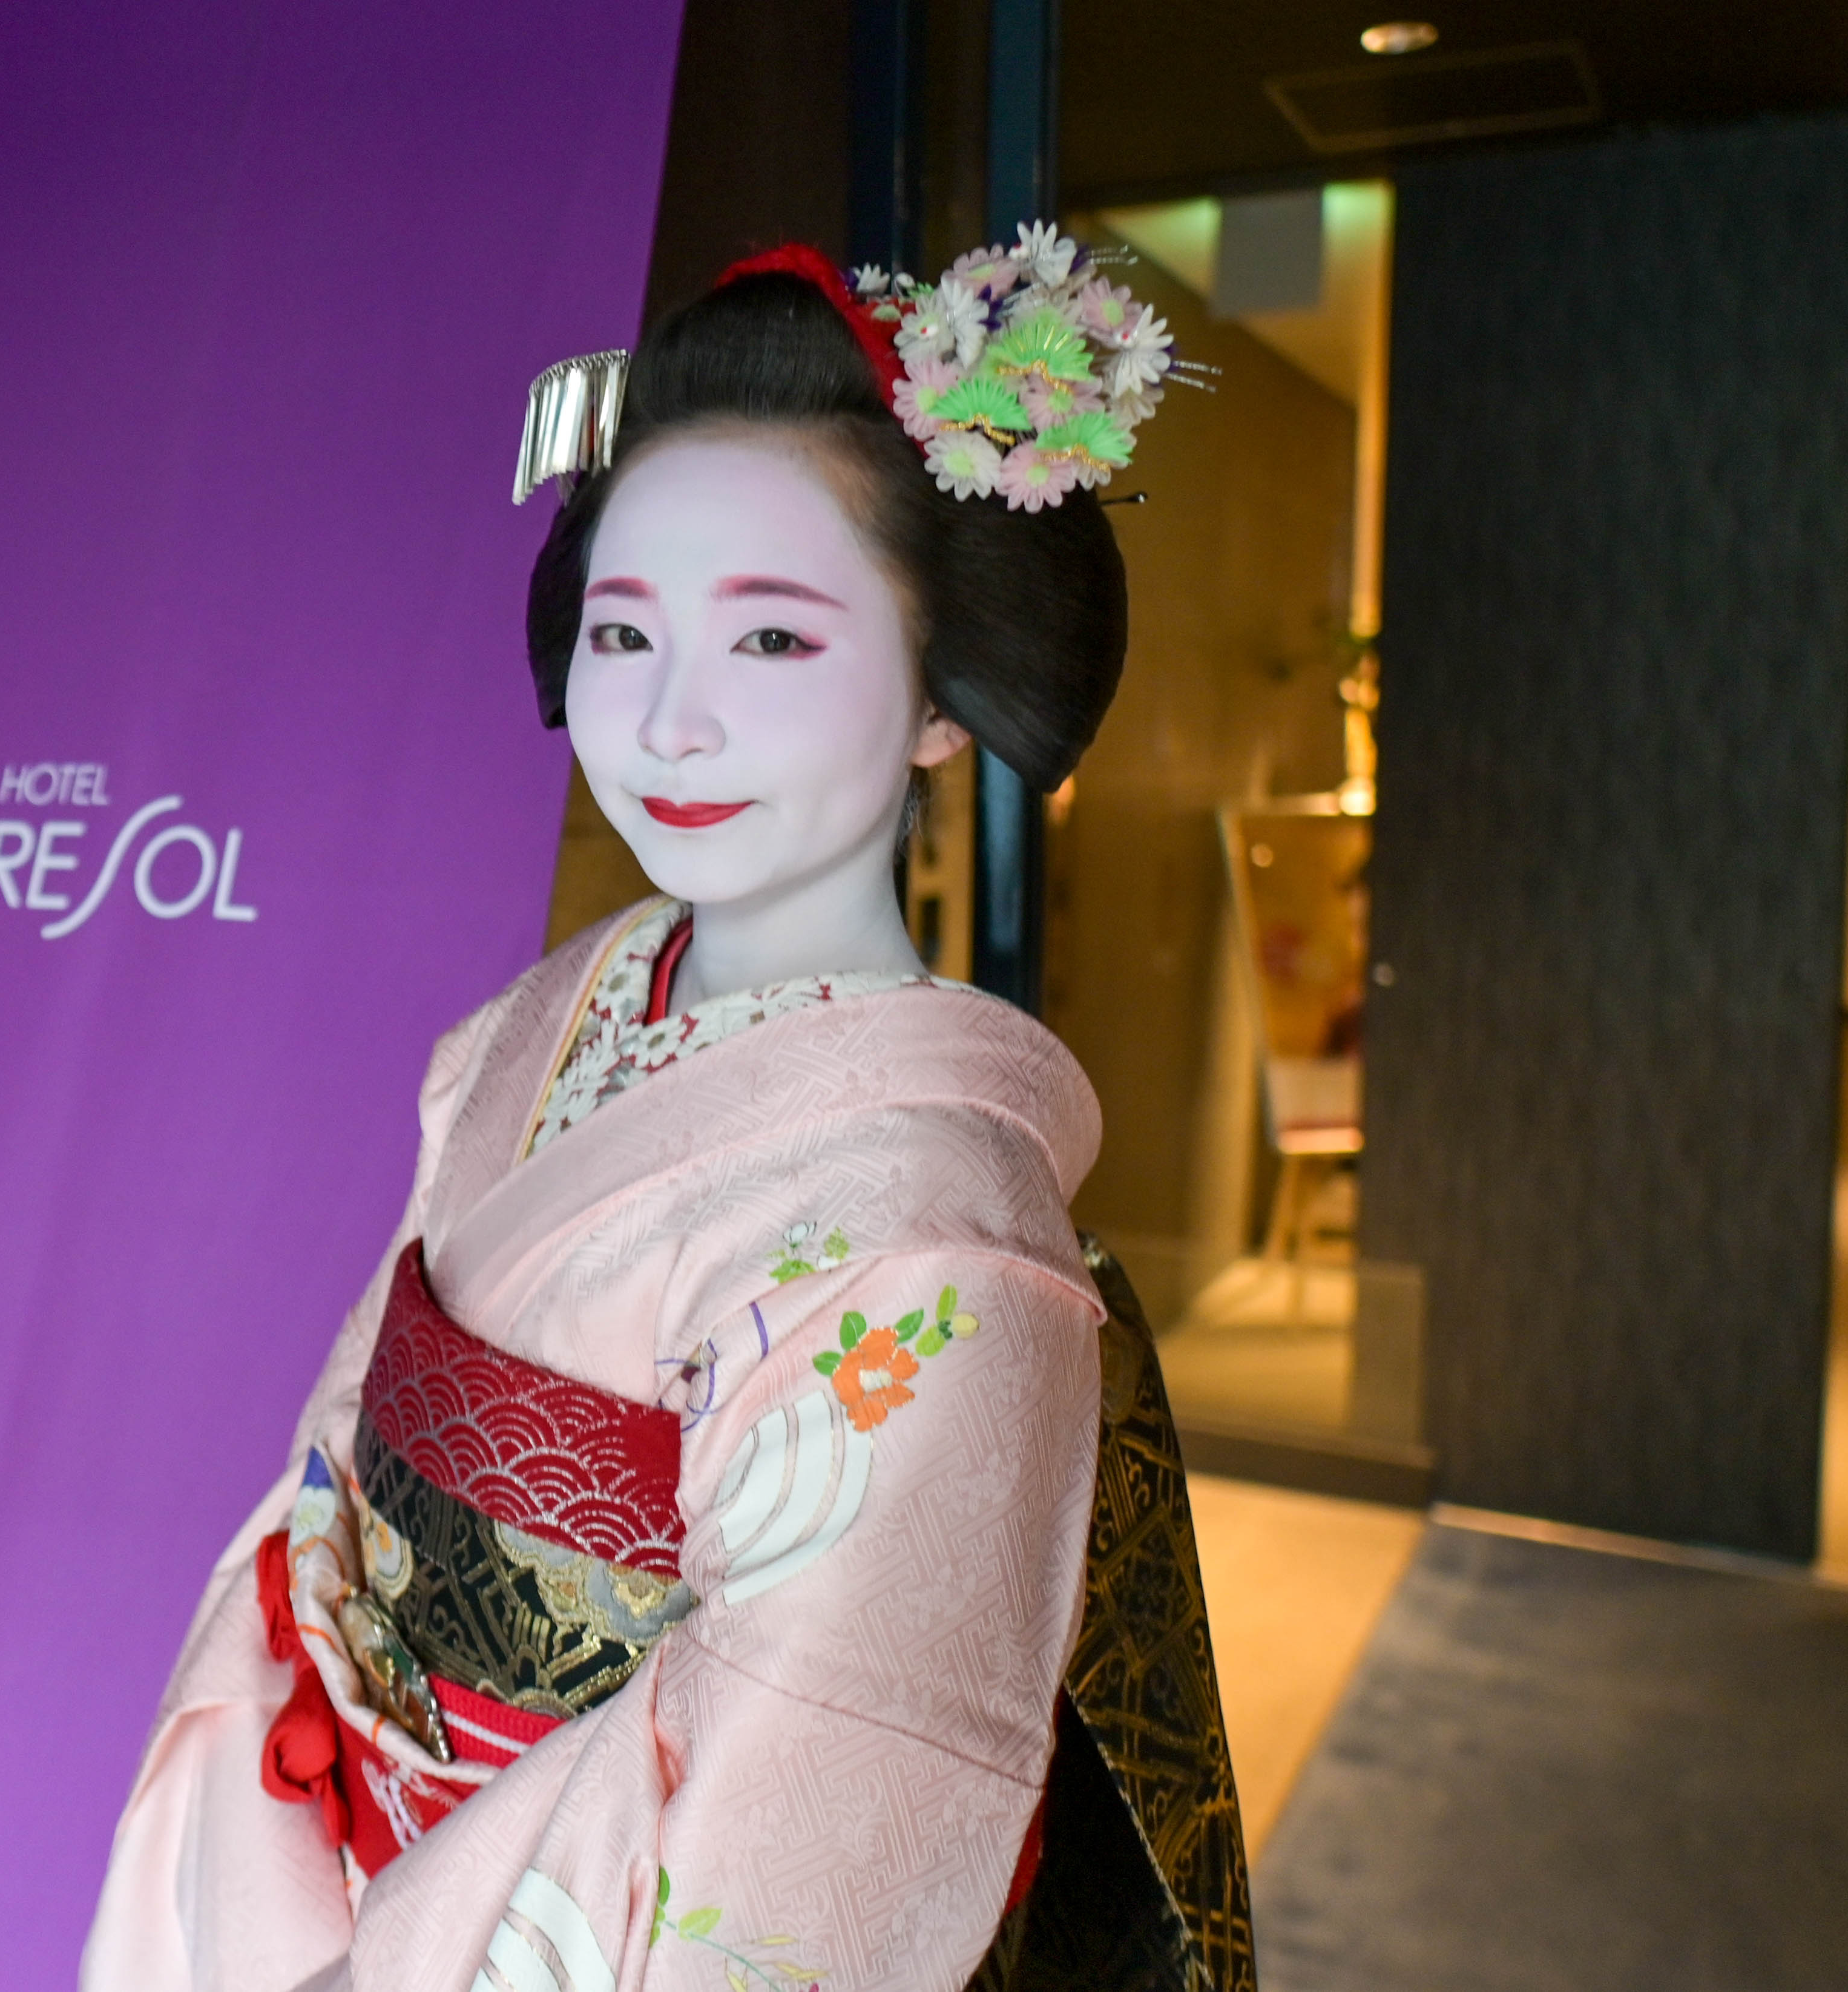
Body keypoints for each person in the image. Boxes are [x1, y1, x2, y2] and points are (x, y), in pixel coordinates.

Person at [81, 238, 1249, 1992]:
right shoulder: (540, 1023)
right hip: (307, 1843)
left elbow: (819, 1792)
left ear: (943, 694)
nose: (669, 716)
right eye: (624, 631)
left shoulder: (940, 1228)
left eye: (772, 633)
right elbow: (334, 1469)